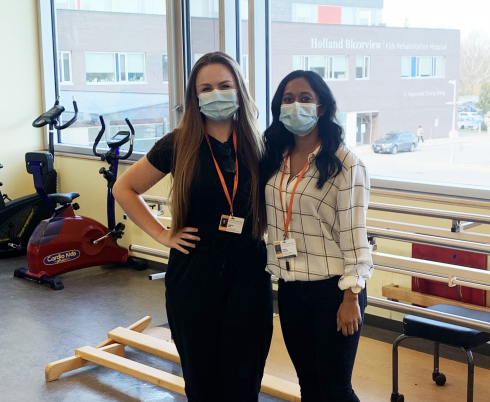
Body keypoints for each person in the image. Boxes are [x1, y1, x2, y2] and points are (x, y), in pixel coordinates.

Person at [113, 51, 273, 402]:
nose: (216, 93)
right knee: (202, 385)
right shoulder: (178, 143)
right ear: (195, 95)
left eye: (225, 85)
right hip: (195, 275)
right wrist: (161, 234)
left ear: (239, 90)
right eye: (207, 87)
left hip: (248, 275)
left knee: (244, 381)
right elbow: (123, 188)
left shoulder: (260, 144)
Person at [261, 70, 373, 402]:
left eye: (305, 98)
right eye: (288, 99)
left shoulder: (345, 164)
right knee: (309, 385)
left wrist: (351, 297)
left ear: (320, 107)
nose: (296, 104)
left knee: (336, 389)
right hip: (291, 288)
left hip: (334, 292)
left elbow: (355, 236)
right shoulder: (273, 159)